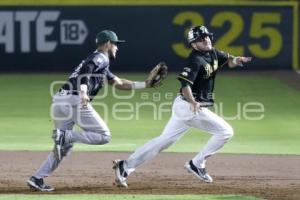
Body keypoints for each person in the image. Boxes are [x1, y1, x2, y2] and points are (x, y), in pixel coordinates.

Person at [113, 25, 252, 187]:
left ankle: (126, 166)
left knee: (163, 142)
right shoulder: (195, 60)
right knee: (226, 131)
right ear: (193, 44)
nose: (206, 39)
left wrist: (238, 60)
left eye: (206, 36)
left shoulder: (213, 52)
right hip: (190, 106)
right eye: (200, 38)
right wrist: (193, 102)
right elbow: (185, 85)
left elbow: (229, 61)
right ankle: (197, 163)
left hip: (183, 107)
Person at [27, 30, 157, 192]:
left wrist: (146, 84)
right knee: (104, 136)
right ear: (108, 44)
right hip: (74, 100)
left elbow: (119, 83)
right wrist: (83, 92)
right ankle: (64, 135)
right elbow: (86, 70)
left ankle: (37, 178)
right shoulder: (100, 57)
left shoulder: (102, 63)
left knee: (63, 146)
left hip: (60, 101)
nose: (117, 48)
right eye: (116, 44)